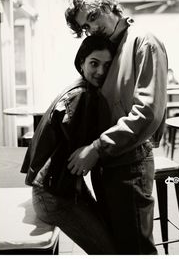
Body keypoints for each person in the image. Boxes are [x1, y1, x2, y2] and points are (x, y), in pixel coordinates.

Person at [65, 0, 168, 255]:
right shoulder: (111, 46)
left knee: (135, 247)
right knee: (117, 244)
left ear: (111, 6)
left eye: (93, 17)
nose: (91, 28)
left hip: (129, 161)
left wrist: (97, 147)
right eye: (85, 27)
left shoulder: (144, 42)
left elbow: (147, 113)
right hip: (107, 162)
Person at [20, 36, 117, 255]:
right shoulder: (81, 96)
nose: (101, 71)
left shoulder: (80, 89)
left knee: (110, 241)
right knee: (109, 251)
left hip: (57, 190)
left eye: (107, 65)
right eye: (94, 63)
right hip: (53, 196)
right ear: (81, 62)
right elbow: (77, 160)